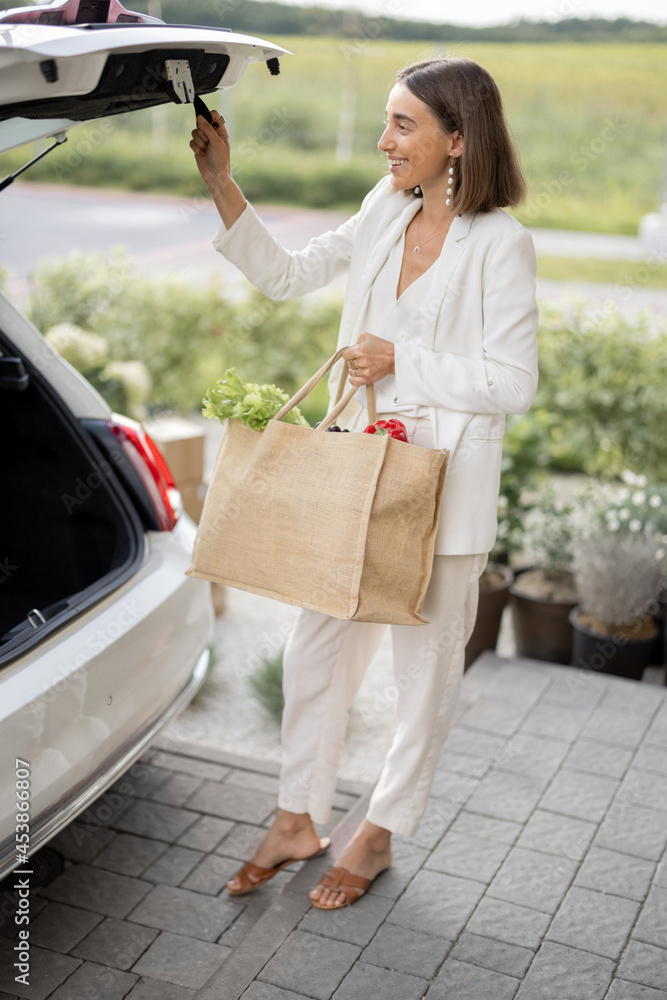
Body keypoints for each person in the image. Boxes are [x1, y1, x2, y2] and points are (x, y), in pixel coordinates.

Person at [190, 56, 538, 910]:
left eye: (403, 126)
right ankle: (296, 818)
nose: (384, 142)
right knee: (315, 659)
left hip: (440, 495)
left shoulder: (500, 243)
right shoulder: (385, 208)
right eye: (385, 122)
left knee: (422, 679)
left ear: (458, 140)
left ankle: (377, 832)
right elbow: (287, 275)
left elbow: (513, 382)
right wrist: (222, 183)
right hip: (354, 476)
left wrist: (401, 360)